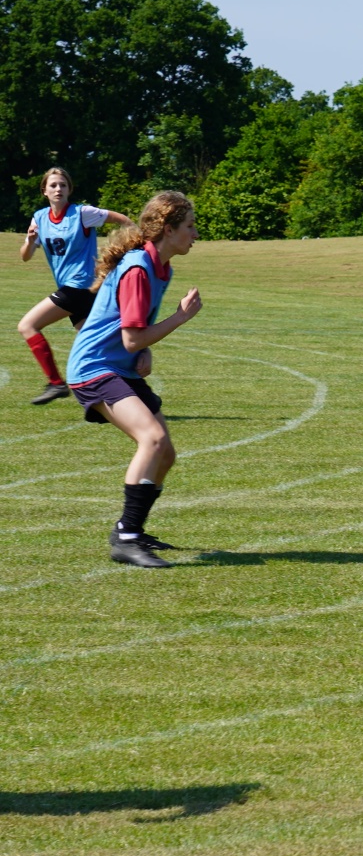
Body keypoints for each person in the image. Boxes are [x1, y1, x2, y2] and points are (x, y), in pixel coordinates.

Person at [64, 191, 204, 569]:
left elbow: (134, 335)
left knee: (167, 454)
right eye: (189, 227)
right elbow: (131, 336)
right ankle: (126, 538)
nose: (195, 234)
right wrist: (179, 318)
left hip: (117, 366)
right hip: (94, 367)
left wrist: (144, 351)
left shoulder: (161, 267)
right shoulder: (140, 269)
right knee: (152, 439)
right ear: (169, 229)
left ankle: (131, 530)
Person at [16, 167, 130, 404]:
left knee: (27, 325)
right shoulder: (39, 218)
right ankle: (130, 384)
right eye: (53, 185)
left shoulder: (82, 213)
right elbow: (25, 256)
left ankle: (56, 383)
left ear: (69, 189)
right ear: (44, 191)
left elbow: (122, 220)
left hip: (79, 287)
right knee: (97, 346)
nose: (58, 189)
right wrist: (29, 239)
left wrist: (132, 244)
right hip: (76, 291)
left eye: (63, 185)